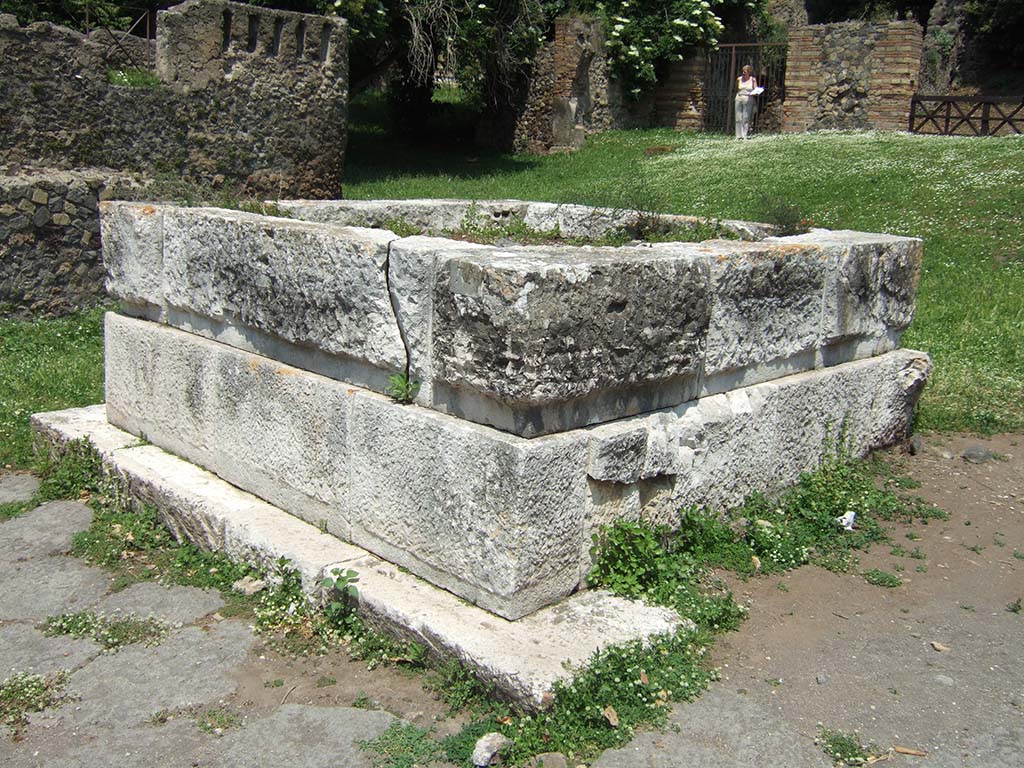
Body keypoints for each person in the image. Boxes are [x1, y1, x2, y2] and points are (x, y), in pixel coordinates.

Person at [734, 64, 757, 140]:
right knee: (738, 117)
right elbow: (736, 88)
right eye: (743, 71)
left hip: (748, 98)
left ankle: (745, 135)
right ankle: (738, 135)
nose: (743, 73)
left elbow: (755, 89)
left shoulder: (753, 79)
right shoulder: (739, 79)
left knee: (746, 117)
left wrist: (755, 92)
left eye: (745, 71)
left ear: (749, 72)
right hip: (739, 97)